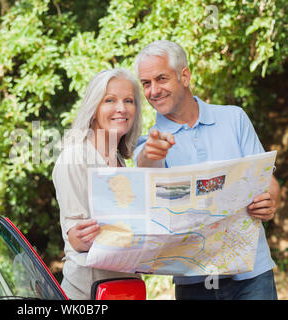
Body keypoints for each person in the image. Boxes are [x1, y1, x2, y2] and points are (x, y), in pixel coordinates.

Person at [133, 40, 280, 300]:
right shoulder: (149, 142)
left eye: (161, 79)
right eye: (146, 83)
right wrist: (149, 154)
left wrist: (270, 201)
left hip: (252, 275)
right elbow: (145, 168)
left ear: (185, 76)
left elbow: (267, 181)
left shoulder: (234, 118)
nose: (153, 90)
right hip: (193, 282)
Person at [52, 68, 142, 299]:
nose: (121, 108)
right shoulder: (74, 158)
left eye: (129, 100)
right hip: (88, 292)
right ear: (94, 109)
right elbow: (77, 239)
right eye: (110, 100)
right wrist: (80, 237)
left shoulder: (121, 162)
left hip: (127, 289)